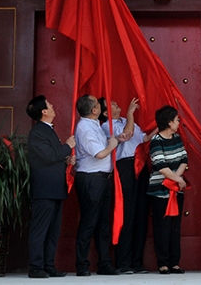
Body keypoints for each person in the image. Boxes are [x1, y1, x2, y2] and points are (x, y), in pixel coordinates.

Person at [73, 94, 131, 277]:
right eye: (98, 104)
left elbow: (102, 146)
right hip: (91, 179)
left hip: (102, 178)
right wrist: (113, 144)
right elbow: (99, 153)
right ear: (94, 110)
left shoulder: (94, 125)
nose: (100, 106)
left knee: (102, 223)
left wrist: (116, 140)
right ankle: (82, 264)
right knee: (89, 222)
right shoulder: (85, 128)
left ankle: (104, 262)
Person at [97, 97, 155, 274]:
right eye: (111, 104)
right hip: (125, 167)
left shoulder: (126, 121)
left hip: (141, 165)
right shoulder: (107, 125)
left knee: (141, 213)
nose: (115, 103)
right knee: (127, 213)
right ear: (106, 113)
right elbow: (127, 134)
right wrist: (130, 113)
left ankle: (137, 262)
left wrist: (160, 126)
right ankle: (123, 262)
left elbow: (142, 137)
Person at [25, 96, 76, 278]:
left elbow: (52, 158)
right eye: (49, 105)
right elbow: (47, 156)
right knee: (40, 229)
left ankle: (48, 265)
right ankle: (36, 267)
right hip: (44, 189)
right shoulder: (38, 132)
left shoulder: (48, 131)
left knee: (53, 231)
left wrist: (66, 160)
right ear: (43, 112)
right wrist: (67, 147)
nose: (53, 107)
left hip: (55, 188)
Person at [146, 105, 189, 275]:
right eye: (177, 120)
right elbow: (160, 165)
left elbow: (184, 158)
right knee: (162, 227)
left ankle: (174, 262)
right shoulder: (156, 141)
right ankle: (163, 262)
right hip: (160, 192)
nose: (179, 123)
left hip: (176, 190)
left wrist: (177, 180)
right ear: (169, 122)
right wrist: (178, 179)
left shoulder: (177, 138)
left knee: (175, 227)